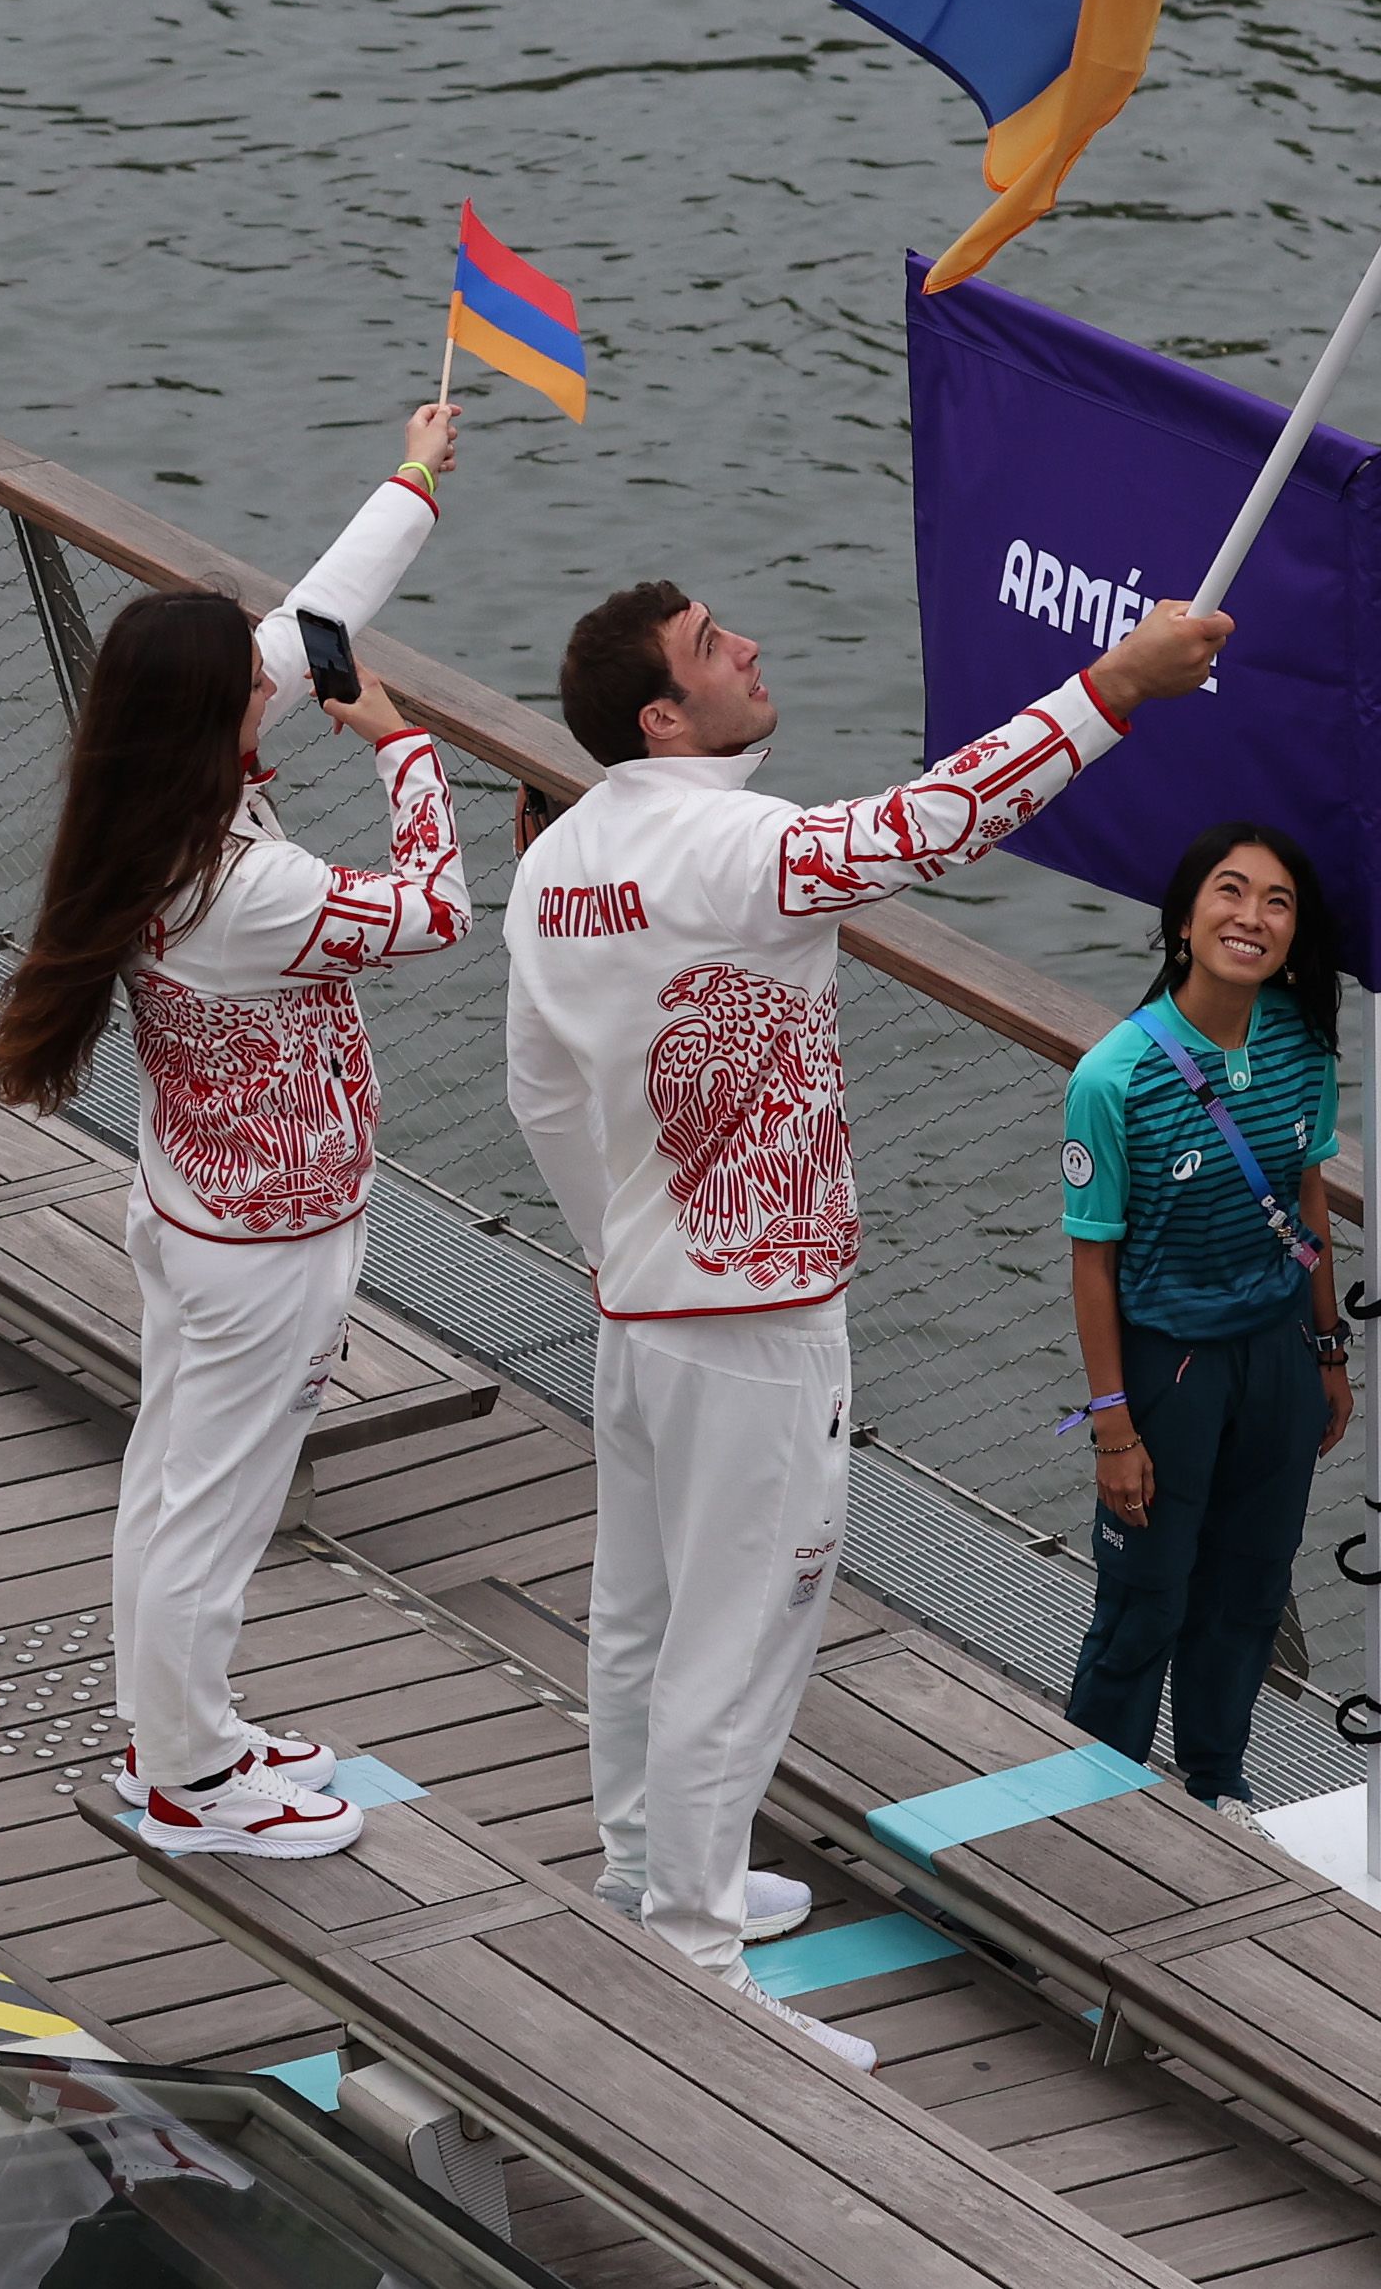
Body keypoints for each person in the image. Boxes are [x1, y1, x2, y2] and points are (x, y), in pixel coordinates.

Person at [502, 576, 1233, 2063]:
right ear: (662, 713)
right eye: (714, 646)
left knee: (639, 1614)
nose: (750, 643)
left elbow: (535, 1092)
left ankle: (646, 1870)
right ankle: (698, 1973)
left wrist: (624, 1244)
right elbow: (940, 818)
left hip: (641, 1304)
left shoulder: (557, 859)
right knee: (742, 1639)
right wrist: (1119, 684)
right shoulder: (731, 846)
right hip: (755, 1322)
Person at [0, 405, 471, 1860]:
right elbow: (435, 909)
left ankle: (170, 1729)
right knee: (217, 1505)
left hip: (190, 1209)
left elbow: (305, 618)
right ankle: (189, 1779)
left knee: (169, 1480)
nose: (271, 686)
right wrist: (404, 745)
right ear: (211, 721)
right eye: (247, 688)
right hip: (266, 1252)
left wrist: (412, 482)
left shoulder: (136, 801)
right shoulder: (238, 888)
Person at [1057, 822, 1355, 1812]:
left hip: (1273, 1354)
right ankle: (1096, 1808)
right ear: (1183, 920)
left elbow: (1306, 1193)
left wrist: (1326, 1346)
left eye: (1277, 901)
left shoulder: (1302, 1040)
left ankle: (1215, 1793)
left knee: (1248, 1592)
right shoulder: (1112, 1077)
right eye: (1231, 892)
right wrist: (1112, 1424)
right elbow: (1091, 1259)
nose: (1253, 916)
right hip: (1166, 1368)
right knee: (1146, 1600)